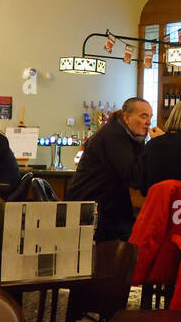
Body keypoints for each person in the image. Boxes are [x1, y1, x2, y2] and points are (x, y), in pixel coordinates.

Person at [69, 97, 162, 242]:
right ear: (126, 117)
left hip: (109, 207)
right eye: (143, 116)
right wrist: (156, 145)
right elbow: (134, 176)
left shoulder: (129, 137)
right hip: (93, 209)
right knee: (139, 241)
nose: (149, 122)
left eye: (150, 117)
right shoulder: (113, 137)